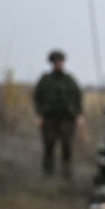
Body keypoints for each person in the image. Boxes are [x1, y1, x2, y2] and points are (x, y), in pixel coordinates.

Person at [31, 49, 83, 177]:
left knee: (67, 146)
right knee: (49, 145)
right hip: (49, 119)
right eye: (55, 62)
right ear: (51, 63)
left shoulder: (69, 80)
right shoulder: (45, 80)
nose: (58, 64)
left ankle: (66, 173)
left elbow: (78, 97)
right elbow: (37, 98)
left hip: (66, 118)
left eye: (60, 61)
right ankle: (48, 174)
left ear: (63, 62)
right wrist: (39, 115)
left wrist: (79, 115)